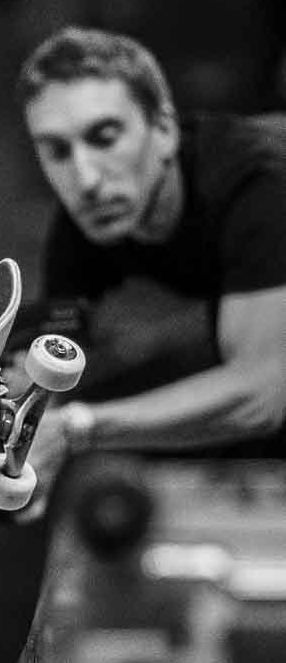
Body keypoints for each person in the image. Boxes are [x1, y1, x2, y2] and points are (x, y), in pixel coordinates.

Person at [16, 26, 286, 508]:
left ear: (163, 129)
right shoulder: (82, 226)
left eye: (104, 137)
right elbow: (42, 372)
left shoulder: (258, 181)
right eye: (57, 150)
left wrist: (79, 429)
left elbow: (263, 395)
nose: (85, 178)